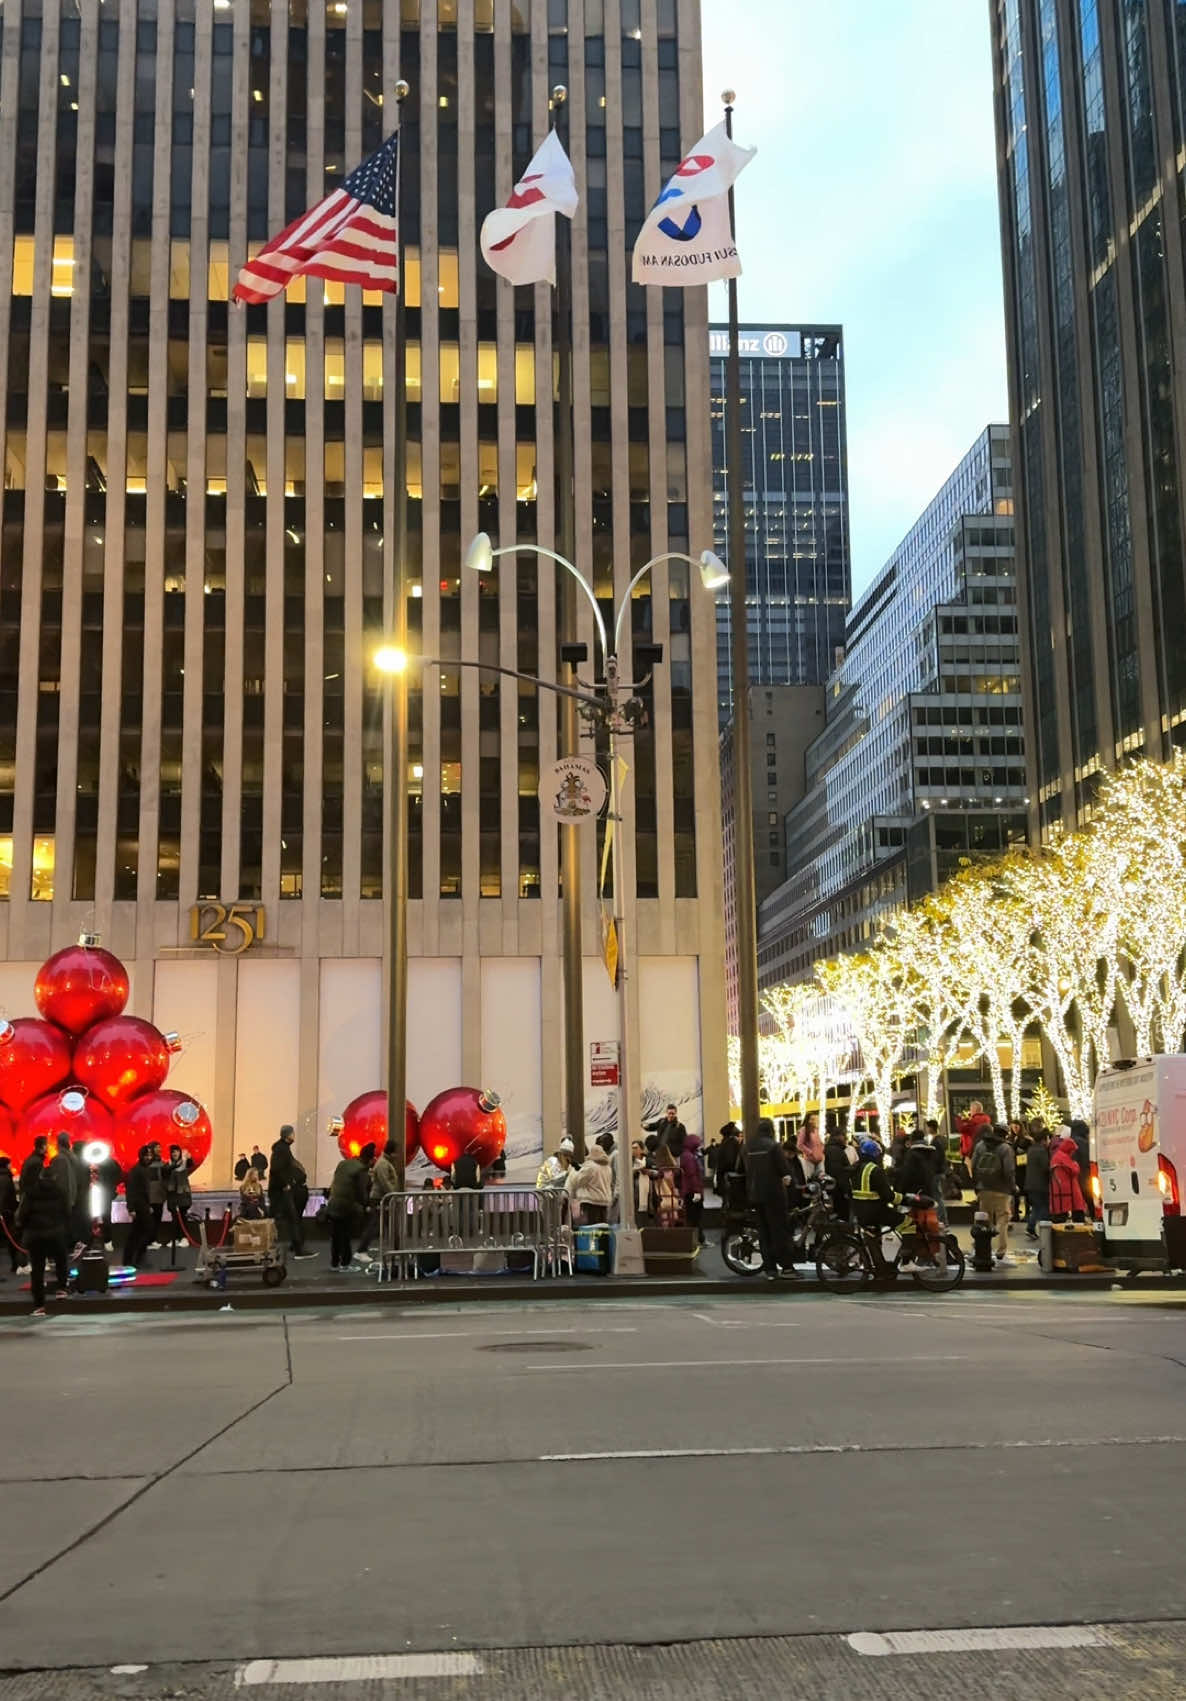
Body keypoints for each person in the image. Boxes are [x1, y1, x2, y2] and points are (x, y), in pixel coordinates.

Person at [744, 1117, 797, 1280]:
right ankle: (787, 1267)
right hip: (773, 1194)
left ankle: (770, 1269)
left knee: (764, 1232)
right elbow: (784, 1168)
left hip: (755, 1195)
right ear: (771, 1130)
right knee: (779, 1231)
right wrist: (790, 1180)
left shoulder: (748, 1146)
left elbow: (743, 1169)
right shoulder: (773, 1146)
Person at [16, 1159, 71, 1316]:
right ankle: (61, 1289)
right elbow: (67, 1212)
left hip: (36, 1235)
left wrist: (25, 1227)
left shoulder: (31, 1192)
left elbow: (23, 1214)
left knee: (38, 1270)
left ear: (40, 1177)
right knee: (61, 1261)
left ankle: (39, 1305)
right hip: (56, 1233)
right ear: (54, 1177)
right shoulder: (61, 1191)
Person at [971, 1122, 1017, 1265]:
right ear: (1005, 1134)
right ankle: (1001, 1250)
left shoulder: (980, 1146)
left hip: (984, 1188)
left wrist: (977, 1184)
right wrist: (1012, 1187)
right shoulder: (1005, 1148)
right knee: (1003, 1219)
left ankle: (982, 1248)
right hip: (1002, 1189)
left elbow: (973, 1165)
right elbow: (1009, 1171)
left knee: (985, 1219)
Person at [850, 1138, 903, 1258]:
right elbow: (888, 1195)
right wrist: (904, 1199)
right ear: (875, 1154)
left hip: (859, 1212)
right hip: (874, 1212)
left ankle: (878, 1265)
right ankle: (907, 1262)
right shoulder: (875, 1170)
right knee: (908, 1224)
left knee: (874, 1237)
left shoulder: (856, 1167)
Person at [268, 1125, 316, 1258]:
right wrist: (286, 1184)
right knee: (293, 1219)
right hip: (282, 1191)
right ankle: (299, 1250)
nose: (294, 1135)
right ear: (287, 1135)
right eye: (293, 1133)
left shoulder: (283, 1149)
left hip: (282, 1190)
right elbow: (277, 1169)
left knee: (292, 1219)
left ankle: (295, 1246)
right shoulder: (281, 1149)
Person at [327, 1142, 372, 1271]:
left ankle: (334, 1263)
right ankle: (345, 1263)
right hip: (346, 1206)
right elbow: (361, 1192)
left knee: (335, 1235)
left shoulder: (343, 1163)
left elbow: (335, 1182)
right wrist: (366, 1205)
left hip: (333, 1202)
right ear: (369, 1159)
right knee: (345, 1235)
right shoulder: (361, 1170)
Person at [357, 1139, 400, 1256]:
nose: (397, 1155)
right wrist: (393, 1195)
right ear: (392, 1152)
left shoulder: (385, 1162)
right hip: (379, 1198)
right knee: (375, 1225)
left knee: (389, 1224)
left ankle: (397, 1249)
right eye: (396, 1152)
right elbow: (384, 1182)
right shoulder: (383, 1164)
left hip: (383, 1198)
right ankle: (361, 1249)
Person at [122, 1146, 156, 1270]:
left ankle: (132, 1259)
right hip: (138, 1206)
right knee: (144, 1232)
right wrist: (131, 1208)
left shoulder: (145, 1169)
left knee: (137, 1233)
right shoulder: (136, 1171)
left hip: (144, 1206)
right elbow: (131, 1191)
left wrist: (149, 1205)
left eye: (150, 1155)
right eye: (146, 1155)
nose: (148, 1158)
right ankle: (134, 1259)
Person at [565, 1139, 614, 1224]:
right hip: (604, 1203)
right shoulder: (608, 1168)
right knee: (602, 1229)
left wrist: (574, 1170)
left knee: (591, 1230)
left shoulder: (590, 1166)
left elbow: (577, 1181)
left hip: (590, 1203)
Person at [1050, 1128, 1087, 1223]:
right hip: (1068, 1186)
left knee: (1062, 1210)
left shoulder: (1057, 1155)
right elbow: (1074, 1170)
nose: (1073, 1152)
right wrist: (1076, 1164)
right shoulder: (1063, 1157)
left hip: (1059, 1186)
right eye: (1072, 1150)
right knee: (1077, 1203)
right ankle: (1079, 1223)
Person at [678, 1132, 705, 1244]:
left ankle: (696, 1240)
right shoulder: (689, 1157)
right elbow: (692, 1175)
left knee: (692, 1217)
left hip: (688, 1191)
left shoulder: (686, 1155)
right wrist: (697, 1191)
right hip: (692, 1191)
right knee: (696, 1217)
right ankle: (698, 1240)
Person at [164, 1144, 194, 1246]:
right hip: (173, 1196)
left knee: (183, 1217)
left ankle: (184, 1238)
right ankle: (175, 1239)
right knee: (174, 1218)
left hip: (183, 1196)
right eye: (173, 1152)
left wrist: (189, 1158)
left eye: (176, 1151)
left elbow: (191, 1163)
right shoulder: (168, 1164)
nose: (175, 1153)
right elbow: (166, 1171)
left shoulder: (185, 1162)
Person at [1024, 1127, 1051, 1237]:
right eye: (1048, 1139)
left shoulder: (1031, 1150)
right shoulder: (1041, 1151)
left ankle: (1030, 1228)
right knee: (1043, 1207)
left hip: (1030, 1183)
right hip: (1040, 1184)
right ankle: (1045, 1231)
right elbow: (1045, 1167)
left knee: (1036, 1207)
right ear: (1043, 1140)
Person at [823, 1123, 852, 1220]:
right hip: (838, 1191)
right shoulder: (836, 1151)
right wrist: (846, 1190)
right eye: (844, 1135)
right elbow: (839, 1173)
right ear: (838, 1136)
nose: (846, 1138)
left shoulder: (831, 1149)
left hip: (833, 1189)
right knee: (842, 1217)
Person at [925, 1119, 950, 1226]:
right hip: (941, 1172)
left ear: (930, 1128)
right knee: (938, 1196)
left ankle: (942, 1220)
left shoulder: (935, 1142)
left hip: (936, 1173)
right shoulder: (941, 1140)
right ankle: (943, 1219)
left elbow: (935, 1160)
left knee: (937, 1197)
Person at [712, 1122, 743, 1195]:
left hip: (723, 1173)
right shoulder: (732, 1142)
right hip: (729, 1174)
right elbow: (730, 1160)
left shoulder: (724, 1142)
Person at [1067, 1119, 1092, 1212]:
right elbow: (1086, 1160)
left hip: (1072, 1176)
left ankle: (1078, 1219)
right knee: (1089, 1198)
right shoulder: (1083, 1142)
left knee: (1076, 1201)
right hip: (1084, 1176)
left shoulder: (1069, 1141)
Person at [0, 1154, 19, 1278]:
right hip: (6, 1213)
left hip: (4, 1212)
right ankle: (15, 1264)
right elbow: (5, 1197)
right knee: (12, 1237)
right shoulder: (6, 1178)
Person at [146, 1140, 167, 1247]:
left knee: (157, 1218)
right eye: (157, 1147)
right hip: (151, 1196)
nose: (159, 1149)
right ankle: (149, 1240)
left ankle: (154, 1239)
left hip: (160, 1195)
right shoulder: (148, 1164)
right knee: (151, 1220)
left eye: (160, 1147)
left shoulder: (162, 1163)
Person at [957, 1100, 991, 1165]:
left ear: (974, 1109)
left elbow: (961, 1129)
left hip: (971, 1151)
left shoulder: (973, 1120)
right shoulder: (986, 1118)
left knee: (970, 1172)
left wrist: (960, 1118)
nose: (970, 1111)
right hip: (982, 1149)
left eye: (971, 1109)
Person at [796, 1113, 825, 1182]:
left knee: (822, 1179)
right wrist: (810, 1152)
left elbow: (819, 1143)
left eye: (815, 1119)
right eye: (812, 1119)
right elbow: (799, 1145)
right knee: (810, 1181)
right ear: (808, 1120)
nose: (814, 1121)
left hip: (819, 1159)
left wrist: (822, 1150)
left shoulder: (816, 1130)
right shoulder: (804, 1130)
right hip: (809, 1160)